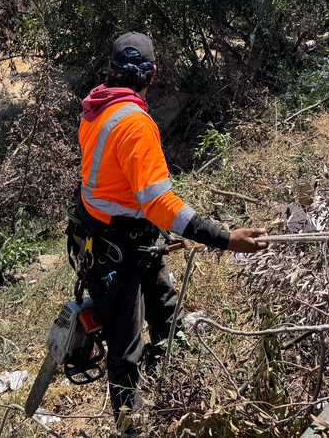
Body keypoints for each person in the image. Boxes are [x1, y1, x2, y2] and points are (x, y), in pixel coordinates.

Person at [67, 32, 268, 429]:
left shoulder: (95, 109)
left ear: (110, 70)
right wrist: (225, 237)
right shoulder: (134, 124)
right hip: (118, 249)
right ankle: (134, 427)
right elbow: (159, 203)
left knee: (165, 311)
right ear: (152, 75)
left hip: (118, 239)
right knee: (125, 353)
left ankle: (176, 390)